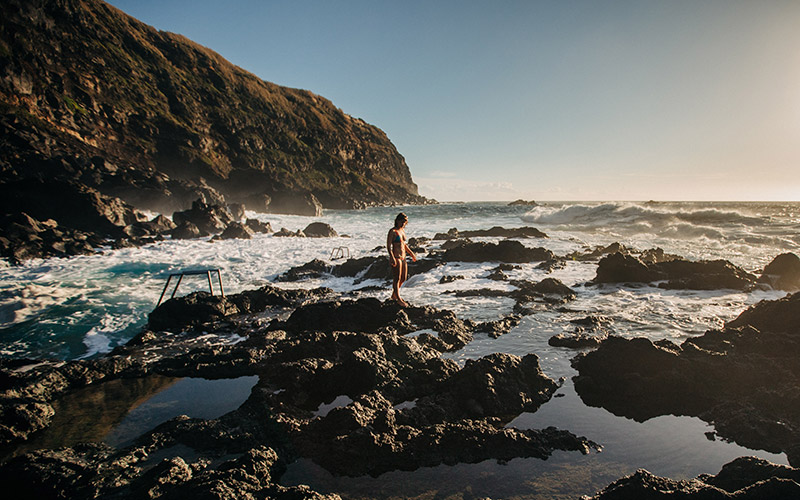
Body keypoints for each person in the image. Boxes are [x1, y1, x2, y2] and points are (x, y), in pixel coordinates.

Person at [387, 212, 416, 306]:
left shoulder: (402, 231)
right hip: (396, 257)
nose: (404, 224)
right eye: (402, 221)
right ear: (397, 221)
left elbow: (404, 244)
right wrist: (391, 257)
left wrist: (411, 253)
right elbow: (388, 246)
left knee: (403, 278)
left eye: (405, 222)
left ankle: (394, 296)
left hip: (403, 257)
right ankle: (398, 299)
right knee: (397, 278)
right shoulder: (393, 231)